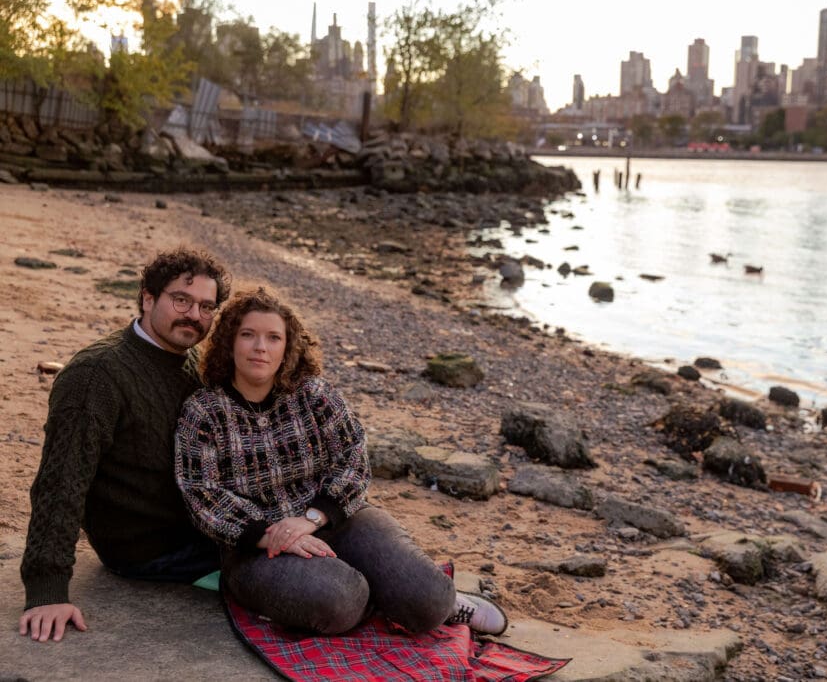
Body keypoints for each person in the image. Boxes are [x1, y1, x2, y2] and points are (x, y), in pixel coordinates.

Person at [174, 287, 506, 636]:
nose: (261, 347)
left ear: (287, 348)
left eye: (273, 337)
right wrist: (271, 533)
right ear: (229, 342)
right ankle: (373, 596)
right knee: (340, 601)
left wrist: (313, 517)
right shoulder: (204, 412)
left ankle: (430, 600)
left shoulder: (313, 395)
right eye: (248, 335)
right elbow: (202, 495)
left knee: (430, 602)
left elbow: (353, 454)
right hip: (256, 545)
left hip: (338, 518)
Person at [19, 247, 232, 643]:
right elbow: (60, 481)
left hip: (205, 528)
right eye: (181, 300)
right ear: (148, 298)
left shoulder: (192, 362)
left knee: (339, 532)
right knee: (316, 579)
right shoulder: (97, 375)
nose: (194, 315)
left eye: (207, 306)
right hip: (153, 549)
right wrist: (46, 590)